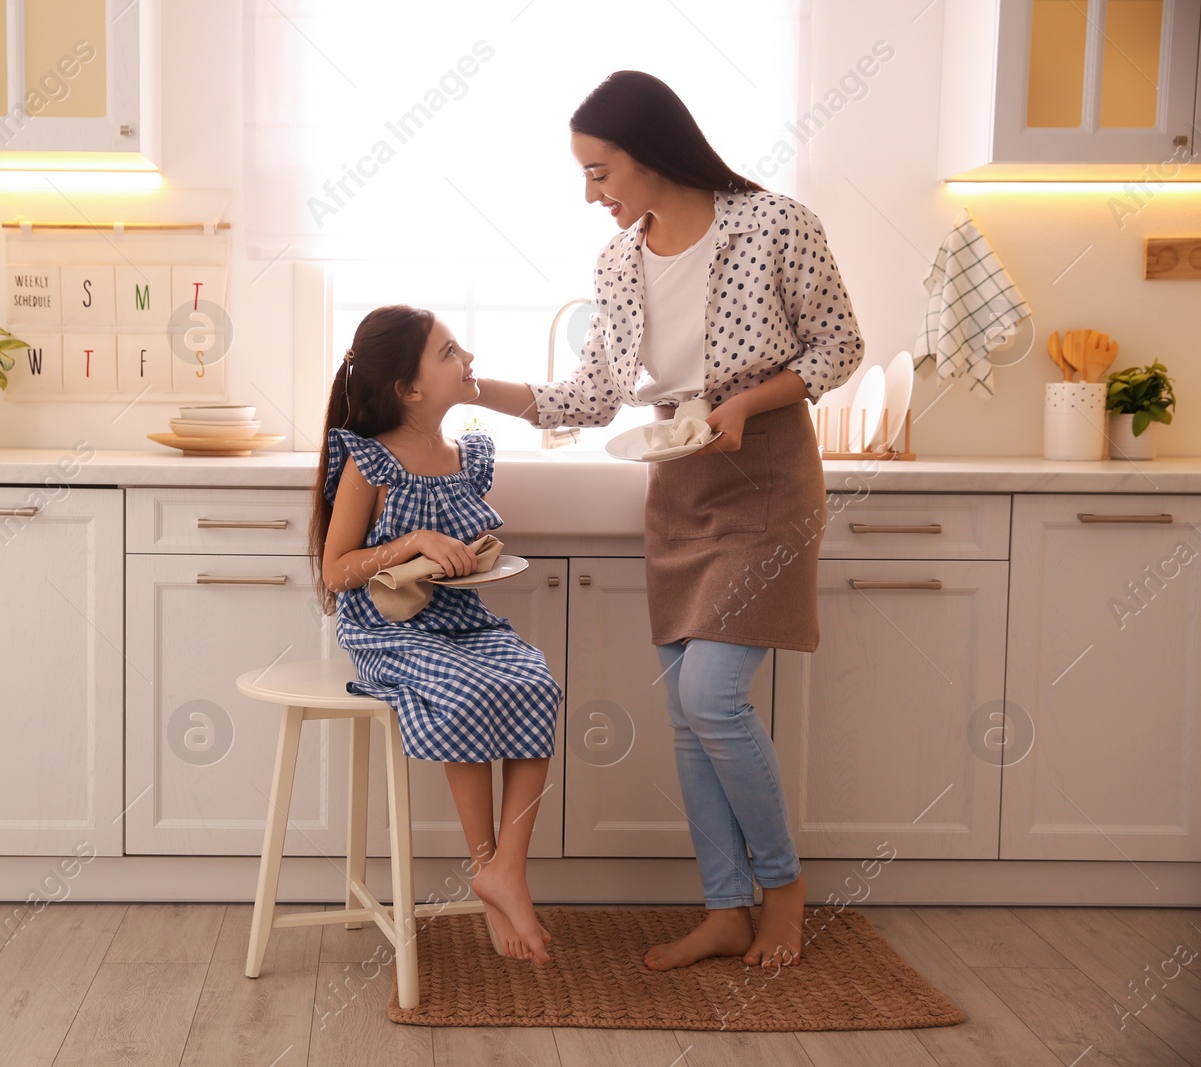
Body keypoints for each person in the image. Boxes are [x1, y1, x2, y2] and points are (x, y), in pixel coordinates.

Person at [474, 71, 864, 970]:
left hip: (764, 476)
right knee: (690, 716)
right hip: (680, 490)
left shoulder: (774, 224)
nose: (591, 195)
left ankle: (785, 887)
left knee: (711, 697)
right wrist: (474, 388)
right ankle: (725, 906)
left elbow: (839, 345)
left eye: (599, 172)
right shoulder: (616, 264)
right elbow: (596, 393)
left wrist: (748, 404)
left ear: (649, 153)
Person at [310, 304, 563, 964]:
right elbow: (338, 571)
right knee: (470, 690)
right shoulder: (372, 461)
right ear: (410, 388)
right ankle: (488, 867)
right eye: (450, 351)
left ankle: (507, 867)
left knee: (535, 681)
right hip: (388, 630)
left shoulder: (465, 456)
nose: (468, 358)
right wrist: (411, 542)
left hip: (461, 620)